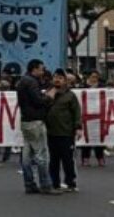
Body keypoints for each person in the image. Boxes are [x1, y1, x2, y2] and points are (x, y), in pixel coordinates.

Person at [17, 59, 58, 194]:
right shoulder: (32, 82)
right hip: (35, 121)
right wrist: (49, 96)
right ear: (34, 69)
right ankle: (45, 184)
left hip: (26, 120)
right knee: (42, 154)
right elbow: (38, 101)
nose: (43, 71)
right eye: (41, 68)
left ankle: (29, 183)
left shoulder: (23, 81)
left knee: (27, 154)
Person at [46, 69, 81, 192]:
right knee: (53, 160)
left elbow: (76, 112)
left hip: (66, 133)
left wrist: (78, 128)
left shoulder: (70, 96)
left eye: (60, 78)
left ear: (65, 81)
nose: (57, 80)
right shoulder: (48, 93)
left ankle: (70, 182)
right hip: (50, 133)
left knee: (67, 160)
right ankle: (54, 183)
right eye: (55, 77)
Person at [79, 70, 106, 167]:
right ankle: (85, 158)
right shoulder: (82, 87)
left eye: (96, 77)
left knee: (99, 138)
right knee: (86, 138)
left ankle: (100, 158)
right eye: (93, 76)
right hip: (86, 115)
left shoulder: (102, 87)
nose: (94, 79)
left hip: (99, 116)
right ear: (89, 77)